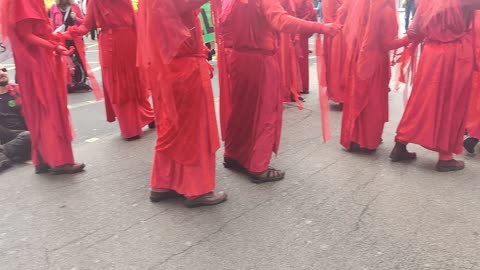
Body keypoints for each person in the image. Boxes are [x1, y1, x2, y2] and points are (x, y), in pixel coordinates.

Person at [221, 0, 341, 183]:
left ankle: (232, 154)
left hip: (237, 58)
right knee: (265, 113)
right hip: (259, 60)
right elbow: (281, 21)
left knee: (241, 111)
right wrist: (321, 27)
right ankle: (258, 166)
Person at [137, 0, 227, 207]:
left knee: (173, 127)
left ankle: (162, 183)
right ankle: (197, 190)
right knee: (195, 131)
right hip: (184, 67)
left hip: (168, 66)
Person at [391, 0, 480, 172]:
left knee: (420, 101)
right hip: (456, 56)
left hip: (431, 53)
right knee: (451, 105)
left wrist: (398, 43)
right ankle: (445, 158)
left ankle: (400, 145)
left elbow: (415, 29)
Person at [0, 0, 85, 174]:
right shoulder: (23, 2)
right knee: (48, 109)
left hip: (37, 59)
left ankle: (43, 158)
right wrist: (55, 46)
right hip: (36, 61)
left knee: (41, 110)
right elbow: (27, 35)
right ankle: (59, 161)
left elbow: (38, 33)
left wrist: (59, 39)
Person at [69, 0, 155, 141]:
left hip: (111, 43)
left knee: (117, 83)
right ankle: (148, 116)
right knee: (134, 80)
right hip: (129, 38)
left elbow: (86, 25)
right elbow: (134, 17)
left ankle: (131, 127)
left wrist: (70, 33)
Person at [340, 0, 410, 152]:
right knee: (373, 101)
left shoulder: (361, 5)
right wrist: (409, 38)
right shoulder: (386, 9)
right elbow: (387, 44)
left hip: (359, 57)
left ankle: (354, 137)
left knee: (358, 97)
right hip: (375, 61)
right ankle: (367, 140)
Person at [0, 65, 31, 172]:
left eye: (3, 70)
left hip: (21, 134)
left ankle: (3, 152)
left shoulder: (18, 90)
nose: (1, 73)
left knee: (29, 136)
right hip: (3, 134)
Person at [322, 0, 347, 105]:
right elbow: (328, 17)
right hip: (339, 32)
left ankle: (344, 95)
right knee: (340, 65)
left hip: (344, 31)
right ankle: (342, 95)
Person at [295, 0, 318, 94]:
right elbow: (313, 17)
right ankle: (303, 86)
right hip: (302, 34)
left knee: (290, 61)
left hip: (288, 32)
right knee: (303, 61)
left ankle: (294, 87)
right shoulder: (308, 3)